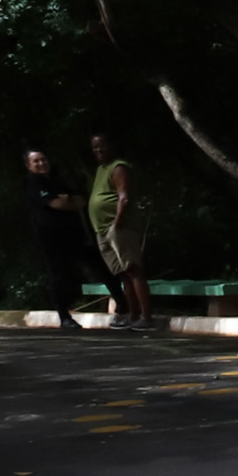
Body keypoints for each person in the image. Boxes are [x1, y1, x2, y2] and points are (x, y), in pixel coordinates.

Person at [22, 149, 101, 333]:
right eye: (36, 161)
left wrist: (67, 200)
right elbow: (55, 203)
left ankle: (122, 305)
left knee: (99, 263)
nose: (41, 163)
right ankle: (64, 317)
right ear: (28, 165)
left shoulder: (58, 180)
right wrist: (64, 201)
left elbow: (80, 200)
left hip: (74, 234)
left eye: (43, 159)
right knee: (60, 276)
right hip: (51, 238)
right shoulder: (33, 183)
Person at [88, 132, 154, 329]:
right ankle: (133, 316)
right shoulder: (101, 169)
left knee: (133, 269)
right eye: (95, 147)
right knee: (123, 274)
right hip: (102, 230)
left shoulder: (118, 167)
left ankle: (147, 318)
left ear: (112, 146)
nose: (99, 150)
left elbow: (123, 197)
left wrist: (116, 224)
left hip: (119, 228)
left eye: (102, 146)